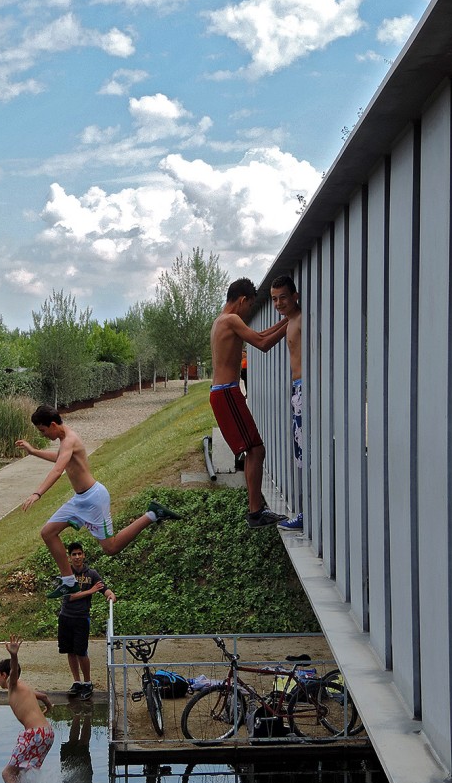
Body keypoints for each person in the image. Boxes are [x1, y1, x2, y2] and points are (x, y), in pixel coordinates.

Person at [16, 404, 181, 597]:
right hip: (80, 500)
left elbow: (58, 469)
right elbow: (59, 458)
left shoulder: (69, 439)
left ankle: (152, 514)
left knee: (110, 548)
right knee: (48, 533)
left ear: (53, 424)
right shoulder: (64, 440)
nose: (43, 435)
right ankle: (69, 581)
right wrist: (34, 451)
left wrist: (37, 493)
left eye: (43, 430)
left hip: (94, 499)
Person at [209, 277, 289, 528]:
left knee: (254, 450)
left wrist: (287, 319)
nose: (249, 313)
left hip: (224, 393)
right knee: (256, 450)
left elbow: (259, 334)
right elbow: (263, 344)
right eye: (250, 306)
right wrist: (291, 323)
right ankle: (255, 512)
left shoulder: (222, 321)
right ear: (242, 300)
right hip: (226, 393)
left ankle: (256, 509)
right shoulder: (232, 320)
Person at [0, 635, 54, 783]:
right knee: (20, 774)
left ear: (3, 675)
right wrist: (48, 708)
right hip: (47, 733)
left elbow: (13, 671)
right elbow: (43, 696)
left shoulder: (13, 685)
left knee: (7, 773)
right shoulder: (24, 687)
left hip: (35, 734)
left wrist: (13, 655)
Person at [58, 542, 116, 699]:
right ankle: (77, 682)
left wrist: (110, 595)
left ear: (83, 555)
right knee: (70, 651)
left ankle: (88, 683)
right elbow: (69, 596)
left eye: (79, 554)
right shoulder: (66, 574)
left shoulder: (91, 573)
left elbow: (103, 588)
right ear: (70, 557)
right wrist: (90, 591)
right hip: (66, 617)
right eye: (74, 554)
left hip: (82, 618)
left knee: (81, 652)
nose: (77, 557)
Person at [270, 275, 304, 530]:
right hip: (297, 389)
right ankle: (307, 510)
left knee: (305, 451)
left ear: (295, 295)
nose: (278, 303)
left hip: (306, 389)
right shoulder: (289, 322)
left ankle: (308, 513)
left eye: (283, 297)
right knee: (299, 451)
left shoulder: (302, 320)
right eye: (274, 299)